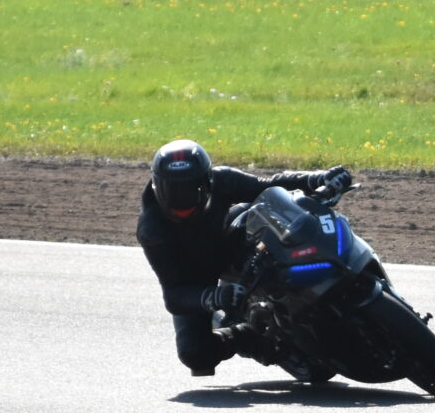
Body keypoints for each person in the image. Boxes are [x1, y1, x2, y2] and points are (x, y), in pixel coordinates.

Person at [137, 139, 351, 376]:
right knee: (195, 353)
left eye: (190, 188)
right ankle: (258, 341)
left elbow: (269, 185)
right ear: (156, 185)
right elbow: (174, 294)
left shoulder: (222, 180)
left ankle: (322, 270)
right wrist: (212, 297)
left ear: (207, 181)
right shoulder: (152, 230)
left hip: (232, 242)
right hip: (196, 277)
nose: (181, 198)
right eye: (171, 189)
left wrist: (316, 179)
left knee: (263, 211)